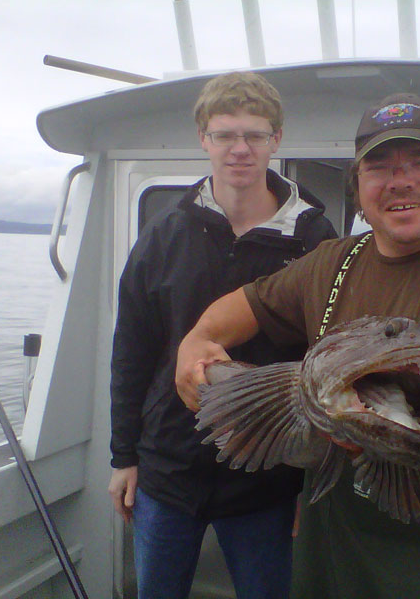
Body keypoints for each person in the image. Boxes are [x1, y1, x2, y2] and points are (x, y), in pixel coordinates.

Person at [176, 92, 420, 598]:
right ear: (359, 185)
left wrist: (367, 427)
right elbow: (240, 308)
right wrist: (196, 342)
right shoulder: (333, 260)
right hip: (332, 526)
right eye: (379, 166)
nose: (400, 180)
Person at [108, 71, 337, 599]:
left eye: (254, 135)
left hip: (267, 476)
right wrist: (124, 457)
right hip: (168, 469)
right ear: (203, 139)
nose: (240, 149)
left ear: (276, 140)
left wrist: (307, 483)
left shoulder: (313, 241)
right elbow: (132, 352)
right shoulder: (163, 235)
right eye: (225, 135)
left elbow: (323, 364)